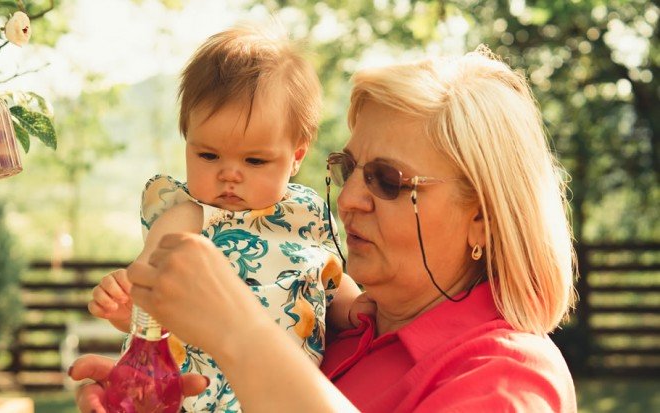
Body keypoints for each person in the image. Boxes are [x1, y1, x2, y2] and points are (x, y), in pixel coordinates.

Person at [72, 46, 578, 412]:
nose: (352, 200)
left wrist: (241, 334)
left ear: (482, 219)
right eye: (348, 169)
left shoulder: (508, 375)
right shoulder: (329, 330)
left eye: (387, 180)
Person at [87, 23, 363, 412]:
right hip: (196, 396)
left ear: (297, 156)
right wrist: (125, 307)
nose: (229, 174)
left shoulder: (307, 215)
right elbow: (148, 292)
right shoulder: (187, 217)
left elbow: (330, 281)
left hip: (285, 394)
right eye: (208, 155)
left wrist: (358, 308)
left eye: (254, 160)